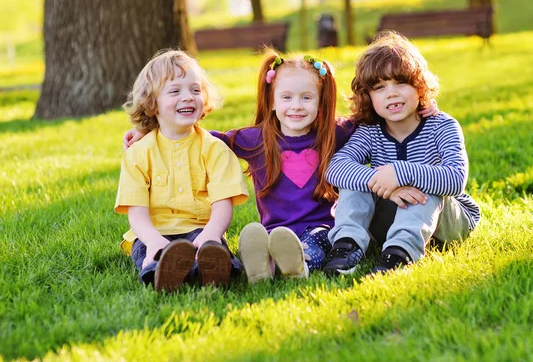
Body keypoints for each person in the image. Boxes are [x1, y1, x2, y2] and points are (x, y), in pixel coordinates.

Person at [123, 50, 439, 284]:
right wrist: (150, 130)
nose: (296, 106)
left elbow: (377, 120)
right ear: (272, 100)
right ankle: (261, 265)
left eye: (306, 98)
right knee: (267, 241)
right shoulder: (256, 138)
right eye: (286, 97)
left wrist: (421, 108)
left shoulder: (335, 132)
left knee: (314, 243)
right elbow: (202, 138)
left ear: (321, 102)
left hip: (324, 227)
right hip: (275, 231)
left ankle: (290, 267)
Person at [323, 31, 481, 276]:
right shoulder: (370, 131)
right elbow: (335, 168)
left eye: (400, 83)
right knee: (354, 180)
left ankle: (399, 255)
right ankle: (347, 247)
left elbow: (455, 179)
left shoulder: (443, 126)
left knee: (427, 184)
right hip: (389, 217)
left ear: (420, 87)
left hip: (447, 223)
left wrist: (400, 172)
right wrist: (384, 183)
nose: (391, 93)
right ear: (368, 96)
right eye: (380, 87)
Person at [114, 50, 249, 292]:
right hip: (153, 232)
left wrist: (211, 233)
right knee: (154, 254)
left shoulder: (215, 149)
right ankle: (164, 272)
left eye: (195, 90)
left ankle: (212, 269)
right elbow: (137, 212)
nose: (188, 97)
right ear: (151, 103)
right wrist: (154, 241)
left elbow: (222, 205)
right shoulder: (138, 153)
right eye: (175, 91)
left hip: (200, 228)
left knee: (213, 250)